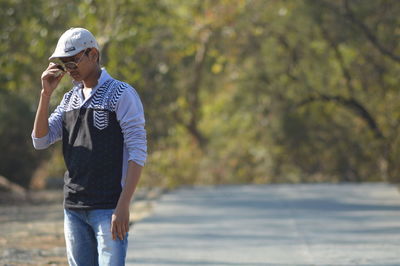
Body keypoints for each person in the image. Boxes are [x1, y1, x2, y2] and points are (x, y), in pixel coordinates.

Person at [31, 27, 147, 265]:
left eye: (73, 61)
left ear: (93, 54)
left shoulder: (121, 94)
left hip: (108, 207)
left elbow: (137, 151)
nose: (69, 70)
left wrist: (123, 205)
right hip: (73, 208)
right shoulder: (68, 100)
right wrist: (45, 94)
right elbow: (40, 140)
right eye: (64, 64)